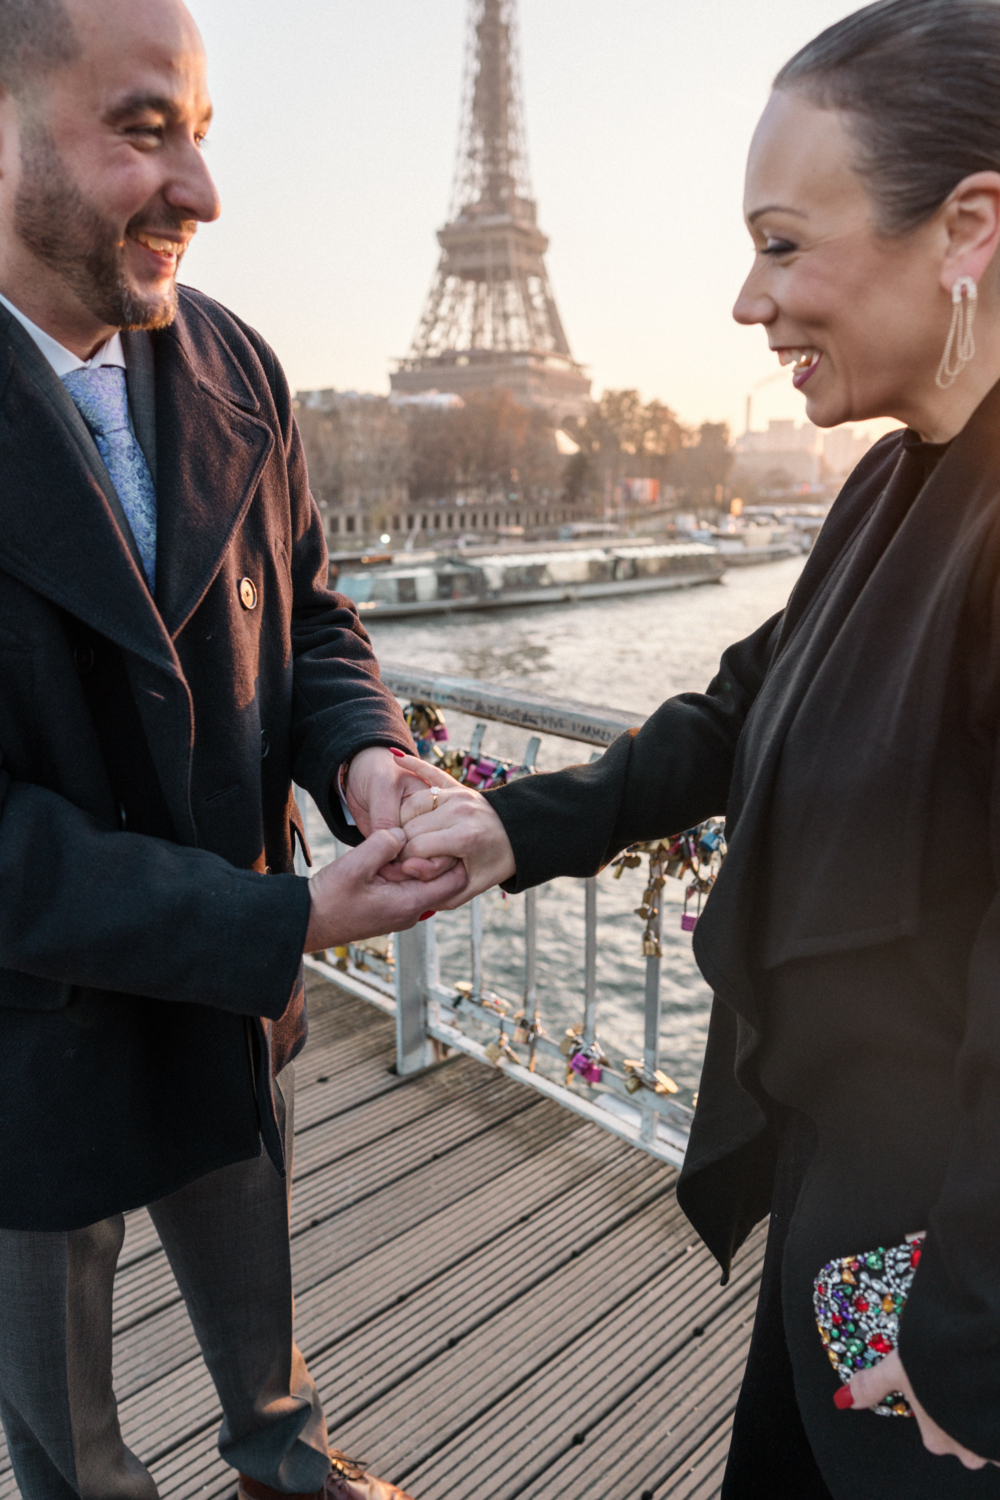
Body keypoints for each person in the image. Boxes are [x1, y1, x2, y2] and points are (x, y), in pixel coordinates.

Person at [390, 1, 1000, 1493]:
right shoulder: (891, 483)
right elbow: (744, 708)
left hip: (947, 1273)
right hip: (849, 1216)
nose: (747, 299)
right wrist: (513, 829)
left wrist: (969, 1354)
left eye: (784, 242)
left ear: (970, 226)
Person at [0, 0, 466, 1497]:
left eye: (201, 134)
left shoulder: (236, 363)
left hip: (224, 1003)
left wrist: (365, 762)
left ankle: (286, 1462)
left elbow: (312, 618)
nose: (202, 191)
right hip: (27, 1033)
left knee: (259, 1317)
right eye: (145, 130)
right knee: (67, 1428)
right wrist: (279, 917)